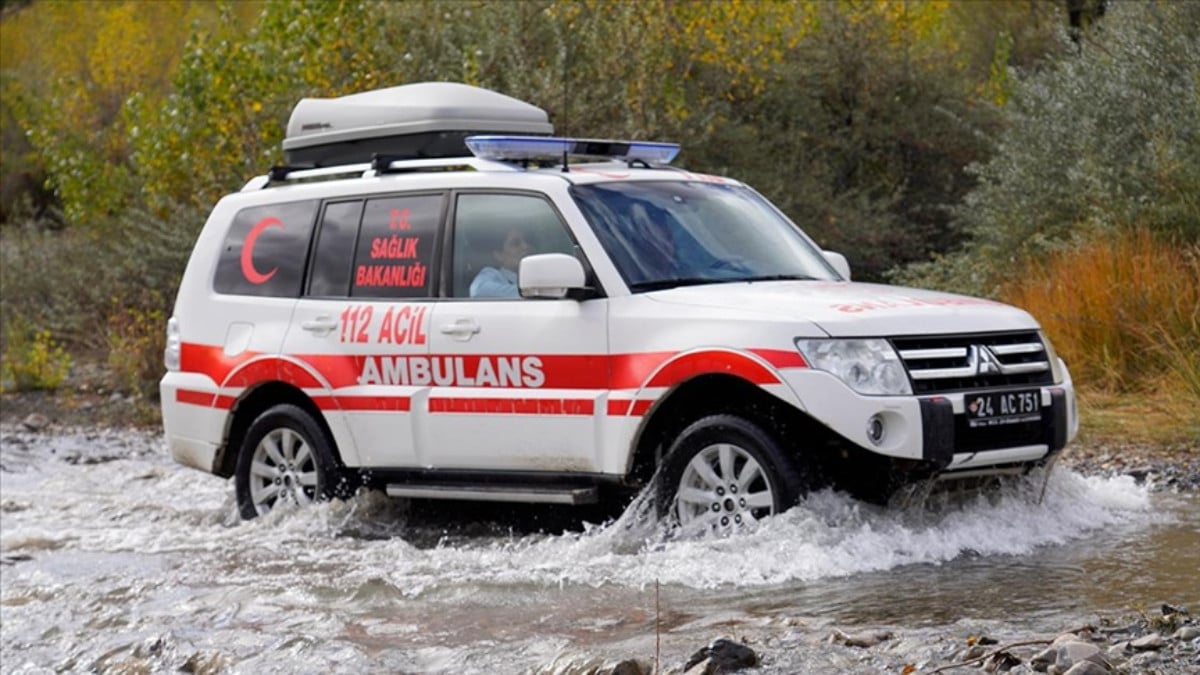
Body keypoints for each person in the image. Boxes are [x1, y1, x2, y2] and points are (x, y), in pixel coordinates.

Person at [469, 225, 531, 298]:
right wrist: (531, 292)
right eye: (515, 243)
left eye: (527, 241)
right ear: (498, 255)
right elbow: (478, 290)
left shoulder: (536, 273)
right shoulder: (493, 275)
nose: (525, 246)